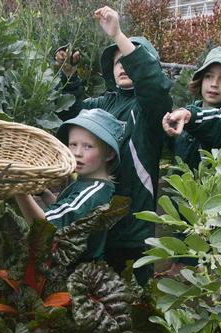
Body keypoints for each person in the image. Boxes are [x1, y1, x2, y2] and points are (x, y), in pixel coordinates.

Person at [55, 5, 173, 285]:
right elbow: (72, 115)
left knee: (132, 303)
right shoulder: (103, 103)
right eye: (117, 60)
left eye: (129, 59)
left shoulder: (149, 109)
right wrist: (69, 77)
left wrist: (118, 34)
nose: (122, 66)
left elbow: (155, 87)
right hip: (96, 222)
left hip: (131, 229)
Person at [16, 108, 124, 264]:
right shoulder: (88, 183)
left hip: (73, 275)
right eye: (73, 144)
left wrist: (19, 191)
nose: (77, 153)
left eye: (88, 146)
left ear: (109, 154)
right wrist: (45, 194)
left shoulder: (92, 193)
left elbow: (45, 226)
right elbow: (69, 213)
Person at [162, 46, 221, 169]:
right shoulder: (191, 112)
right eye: (208, 76)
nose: (214, 84)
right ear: (201, 80)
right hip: (181, 187)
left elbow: (214, 120)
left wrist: (188, 115)